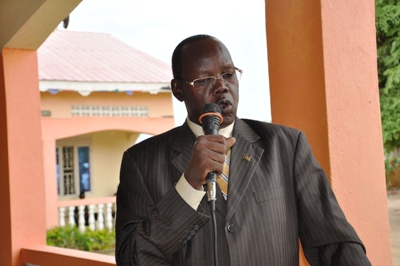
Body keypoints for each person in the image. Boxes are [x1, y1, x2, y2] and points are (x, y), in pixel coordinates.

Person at [115, 34, 371, 265]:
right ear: (178, 89)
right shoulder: (140, 162)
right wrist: (190, 185)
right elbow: (132, 258)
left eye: (228, 75)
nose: (221, 87)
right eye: (204, 79)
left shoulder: (286, 147)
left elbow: (333, 243)